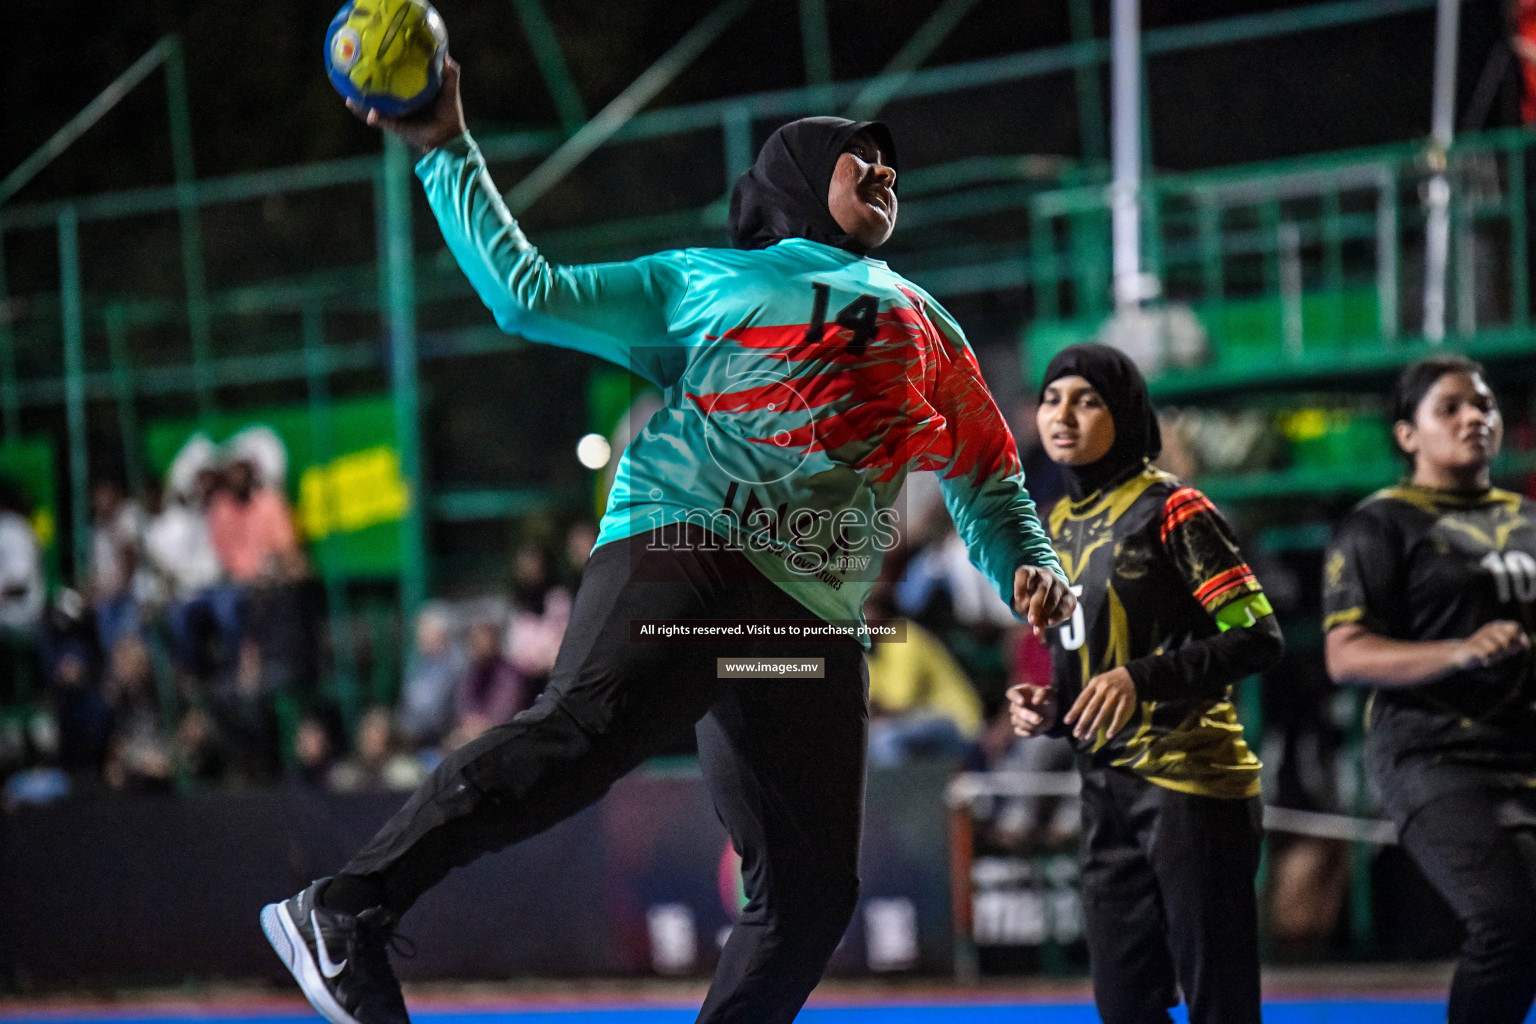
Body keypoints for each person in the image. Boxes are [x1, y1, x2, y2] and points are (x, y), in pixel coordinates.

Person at [261, 58, 1072, 1024]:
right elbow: (527, 292)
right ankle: (343, 911)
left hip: (806, 625)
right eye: (862, 161)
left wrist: (1032, 561)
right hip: (694, 539)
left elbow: (989, 475)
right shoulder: (704, 280)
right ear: (803, 174)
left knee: (811, 902)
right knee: (585, 735)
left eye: (894, 170)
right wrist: (444, 147)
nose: (888, 177)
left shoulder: (930, 324)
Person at [1009, 343, 1283, 1024]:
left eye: (1087, 399)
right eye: (1051, 399)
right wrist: (1052, 709)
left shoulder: (1175, 510)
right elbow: (1089, 674)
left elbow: (1258, 636)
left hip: (1191, 786)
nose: (1062, 414)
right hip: (1104, 792)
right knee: (1125, 1005)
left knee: (1219, 1005)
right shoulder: (1056, 527)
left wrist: (1143, 677)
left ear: (1126, 413)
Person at [1323, 355, 1536, 1024]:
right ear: (1407, 435)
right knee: (1506, 924)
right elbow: (1344, 654)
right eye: (1450, 408)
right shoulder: (1381, 525)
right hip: (1433, 755)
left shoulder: (1529, 519)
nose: (1475, 418)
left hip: (1526, 748)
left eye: (1486, 407)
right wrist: (1459, 652)